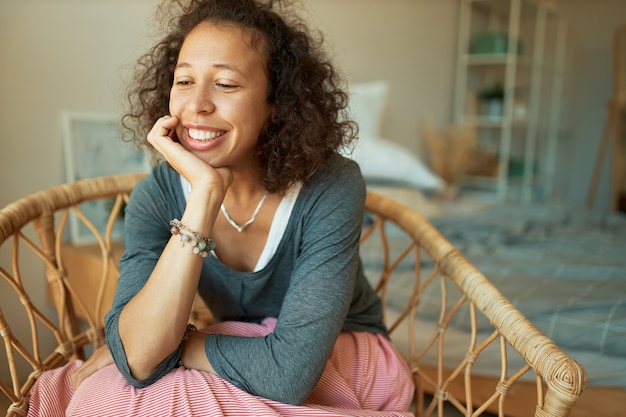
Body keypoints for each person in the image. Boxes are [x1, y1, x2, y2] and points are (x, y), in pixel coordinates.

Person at [27, 0, 414, 415]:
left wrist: (179, 342)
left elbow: (289, 374)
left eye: (226, 85)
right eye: (184, 81)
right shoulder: (157, 196)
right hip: (244, 351)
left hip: (347, 359)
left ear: (277, 102)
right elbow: (139, 358)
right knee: (103, 389)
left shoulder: (332, 184)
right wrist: (205, 195)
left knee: (106, 396)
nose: (197, 105)